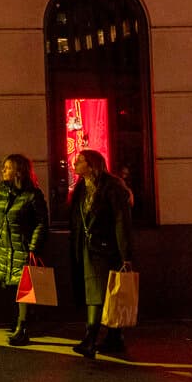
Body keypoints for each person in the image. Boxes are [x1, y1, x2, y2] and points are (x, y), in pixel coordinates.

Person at [67, 149, 135, 359]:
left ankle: (91, 338)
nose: (75, 165)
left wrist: (125, 254)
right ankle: (114, 337)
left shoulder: (112, 187)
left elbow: (121, 221)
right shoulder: (81, 188)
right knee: (99, 293)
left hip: (106, 249)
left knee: (98, 294)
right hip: (87, 248)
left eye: (80, 161)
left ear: (91, 165)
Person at [0, 154, 49, 347]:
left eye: (7, 168)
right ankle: (16, 322)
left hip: (23, 247)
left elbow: (41, 222)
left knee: (25, 288)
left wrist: (33, 247)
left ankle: (23, 327)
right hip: (5, 247)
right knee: (11, 285)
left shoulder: (33, 195)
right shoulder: (1, 191)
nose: (3, 171)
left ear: (18, 171)